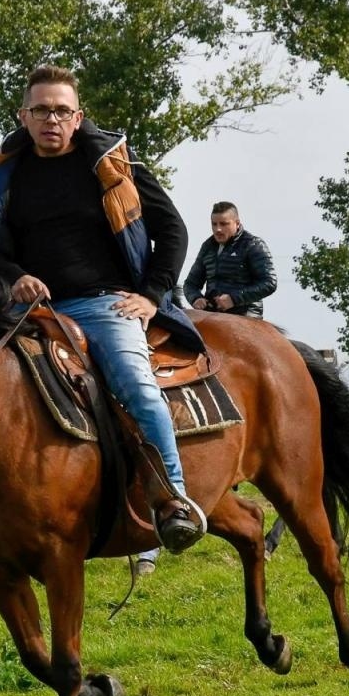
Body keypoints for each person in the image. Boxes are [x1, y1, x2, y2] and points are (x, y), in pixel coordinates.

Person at [0, 63, 205, 563]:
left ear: (78, 117)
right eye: (41, 110)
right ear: (23, 115)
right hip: (28, 308)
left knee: (138, 388)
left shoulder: (113, 165)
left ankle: (173, 502)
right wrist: (14, 275)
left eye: (61, 111)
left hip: (105, 304)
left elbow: (173, 231)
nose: (51, 119)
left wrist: (152, 295)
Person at [134, 201, 283, 574]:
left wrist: (237, 298)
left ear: (237, 222)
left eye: (223, 224)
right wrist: (197, 298)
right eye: (214, 223)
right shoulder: (207, 247)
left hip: (243, 320)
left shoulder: (254, 246)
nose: (218, 229)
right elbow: (190, 280)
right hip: (212, 317)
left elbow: (270, 282)